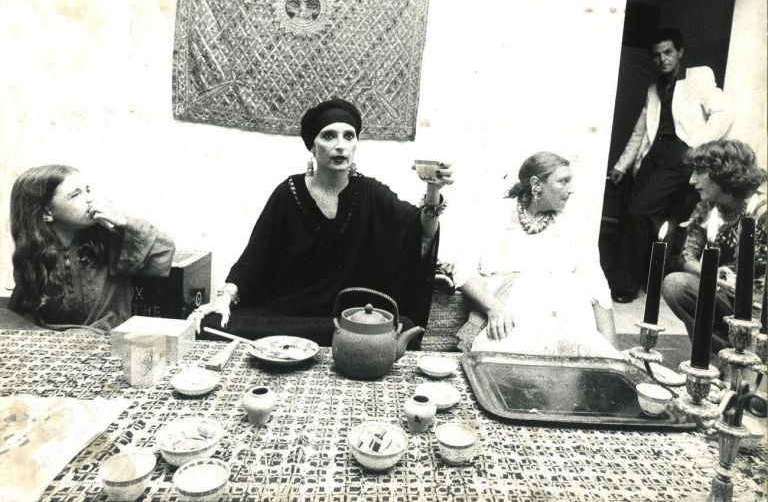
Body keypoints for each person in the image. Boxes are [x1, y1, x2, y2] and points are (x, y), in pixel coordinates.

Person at [190, 99, 453, 345]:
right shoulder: (288, 192)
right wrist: (224, 298)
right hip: (286, 317)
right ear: (312, 146)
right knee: (212, 324)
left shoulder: (371, 193)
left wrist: (433, 190)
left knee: (398, 326)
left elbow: (420, 232)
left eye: (348, 136)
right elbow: (253, 259)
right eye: (329, 136)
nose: (340, 145)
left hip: (347, 319)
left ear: (355, 144)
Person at [608, 28, 732, 302]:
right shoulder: (654, 88)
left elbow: (724, 114)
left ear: (680, 52)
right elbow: (641, 131)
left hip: (681, 155)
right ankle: (645, 281)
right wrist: (622, 165)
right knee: (646, 216)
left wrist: (696, 147)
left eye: (668, 52)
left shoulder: (698, 77)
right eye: (657, 55)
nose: (663, 59)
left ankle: (625, 286)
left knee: (637, 212)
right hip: (654, 156)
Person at [453, 152, 619, 358]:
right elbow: (463, 268)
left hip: (568, 320)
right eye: (563, 181)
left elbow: (597, 285)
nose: (571, 189)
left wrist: (613, 354)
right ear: (536, 184)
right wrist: (493, 307)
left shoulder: (574, 223)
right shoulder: (495, 215)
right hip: (511, 315)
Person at [7, 164, 175, 332]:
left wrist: (125, 223)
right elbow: (21, 314)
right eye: (75, 195)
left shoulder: (110, 241)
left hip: (108, 345)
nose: (89, 199)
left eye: (87, 190)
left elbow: (164, 253)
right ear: (47, 213)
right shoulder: (35, 254)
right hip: (56, 347)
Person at [662, 140, 767, 357]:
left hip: (760, 307)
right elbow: (688, 256)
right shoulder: (706, 208)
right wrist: (710, 274)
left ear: (723, 173)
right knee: (675, 285)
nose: (691, 181)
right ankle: (716, 357)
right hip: (727, 297)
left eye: (700, 172)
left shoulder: (761, 210)